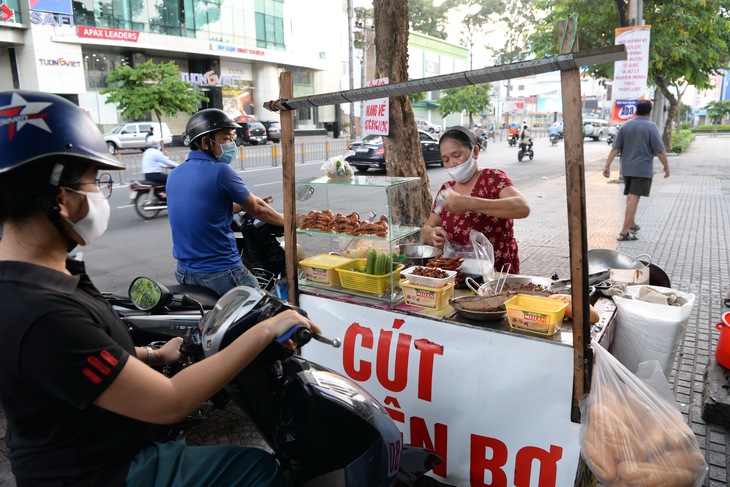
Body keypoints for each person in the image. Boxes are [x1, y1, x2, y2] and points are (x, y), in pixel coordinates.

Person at [0, 90, 318, 486]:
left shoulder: (48, 273)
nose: (99, 193)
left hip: (184, 275)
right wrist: (267, 328)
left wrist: (150, 354)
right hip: (101, 471)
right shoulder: (42, 309)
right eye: (94, 181)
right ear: (62, 199)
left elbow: (81, 355)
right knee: (257, 469)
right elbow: (170, 403)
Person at [167, 108, 285, 295]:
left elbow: (206, 208)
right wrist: (291, 222)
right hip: (220, 272)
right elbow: (259, 210)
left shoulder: (174, 174)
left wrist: (241, 206)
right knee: (265, 310)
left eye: (232, 138)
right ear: (206, 142)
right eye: (226, 139)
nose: (232, 144)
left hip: (184, 271)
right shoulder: (221, 171)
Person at [422, 126, 530, 273]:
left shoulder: (493, 178)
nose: (452, 163)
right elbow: (428, 227)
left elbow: (522, 207)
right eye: (446, 160)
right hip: (457, 270)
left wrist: (469, 203)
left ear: (475, 152)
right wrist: (432, 234)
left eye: (457, 155)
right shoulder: (446, 190)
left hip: (496, 270)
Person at [603, 100, 670, 241]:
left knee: (632, 197)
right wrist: (666, 167)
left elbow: (616, 148)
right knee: (633, 198)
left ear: (636, 110)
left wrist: (607, 166)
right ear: (649, 111)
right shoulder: (651, 127)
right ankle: (624, 232)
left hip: (627, 169)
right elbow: (660, 151)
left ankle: (632, 225)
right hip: (642, 169)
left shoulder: (626, 126)